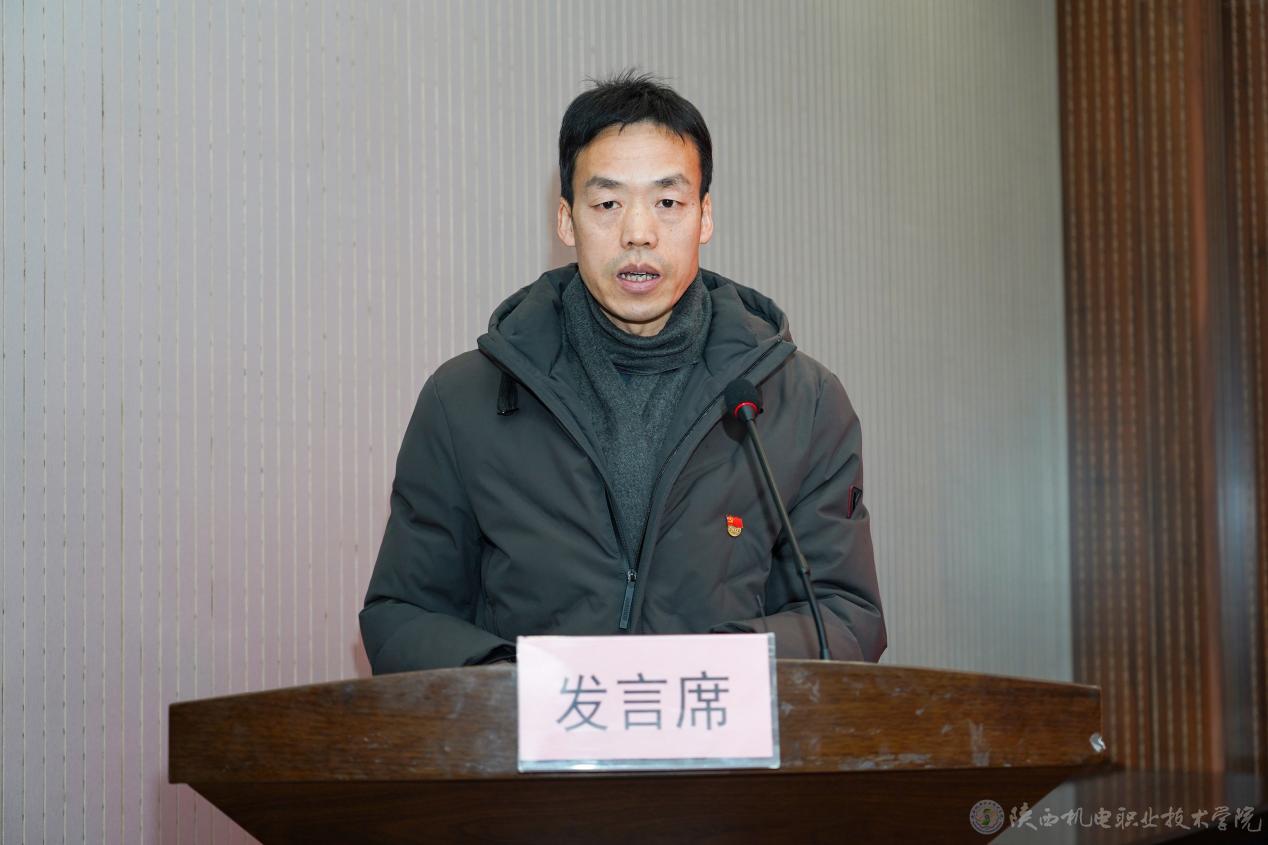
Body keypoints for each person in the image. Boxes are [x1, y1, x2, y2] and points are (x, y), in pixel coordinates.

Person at [359, 71, 886, 672]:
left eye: (668, 203)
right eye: (607, 204)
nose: (638, 233)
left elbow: (845, 616)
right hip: (534, 732)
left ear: (705, 216)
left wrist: (706, 672)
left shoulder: (802, 402)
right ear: (566, 220)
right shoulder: (464, 400)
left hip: (718, 730)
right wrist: (519, 691)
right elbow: (403, 617)